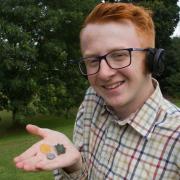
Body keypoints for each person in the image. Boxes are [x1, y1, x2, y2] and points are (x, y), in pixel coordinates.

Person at [14, 2, 180, 180]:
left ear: (152, 60)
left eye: (119, 55)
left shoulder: (176, 140)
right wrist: (74, 165)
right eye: (93, 60)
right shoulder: (92, 99)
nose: (103, 73)